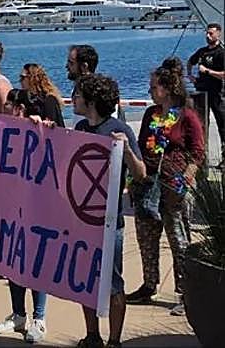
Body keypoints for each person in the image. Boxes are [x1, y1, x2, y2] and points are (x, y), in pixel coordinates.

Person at [72, 74, 146, 348]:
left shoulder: (119, 129)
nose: (74, 99)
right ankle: (92, 335)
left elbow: (140, 173)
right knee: (84, 280)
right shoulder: (80, 127)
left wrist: (126, 151)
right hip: (82, 220)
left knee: (113, 281)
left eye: (77, 95)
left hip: (109, 221)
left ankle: (114, 340)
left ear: (91, 101)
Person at [127, 57, 205, 316]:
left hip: (174, 188)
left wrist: (184, 181)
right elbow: (141, 146)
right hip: (148, 185)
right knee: (147, 239)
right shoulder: (151, 113)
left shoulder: (187, 115)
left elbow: (198, 152)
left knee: (179, 242)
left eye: (153, 88)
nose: (150, 91)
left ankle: (187, 293)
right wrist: (134, 178)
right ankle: (150, 285)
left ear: (167, 88)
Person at [0, 88, 53, 343]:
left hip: (36, 206)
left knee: (35, 263)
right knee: (13, 261)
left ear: (19, 107)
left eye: (9, 104)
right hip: (10, 203)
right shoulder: (3, 129)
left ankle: (39, 319)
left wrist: (41, 126)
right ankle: (19, 314)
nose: (4, 107)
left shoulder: (37, 129)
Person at [187, 22, 225, 167]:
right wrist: (190, 75)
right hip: (202, 93)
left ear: (218, 34)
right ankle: (201, 156)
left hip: (217, 93)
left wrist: (208, 71)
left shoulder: (221, 53)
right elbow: (190, 61)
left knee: (222, 124)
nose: (208, 36)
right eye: (207, 33)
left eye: (211, 33)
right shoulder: (202, 52)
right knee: (200, 125)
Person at [18, 63, 65, 127]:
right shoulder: (28, 99)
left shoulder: (49, 100)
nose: (20, 80)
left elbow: (53, 126)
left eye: (22, 77)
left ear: (32, 78)